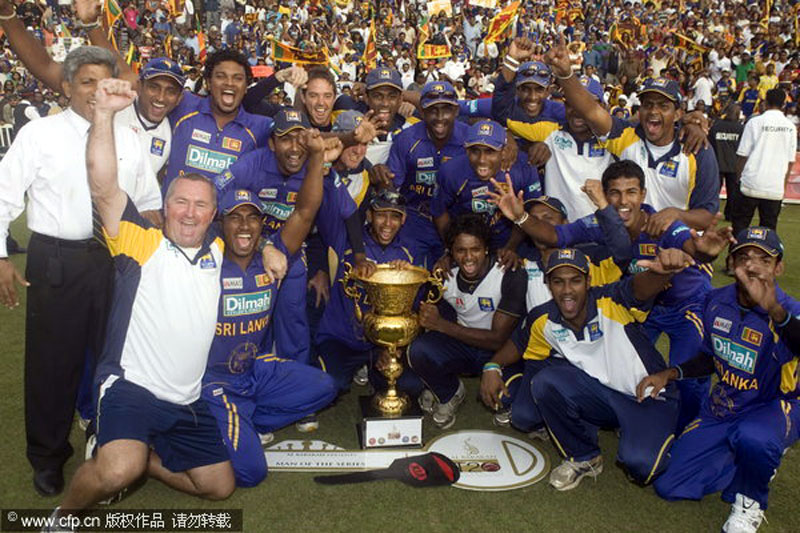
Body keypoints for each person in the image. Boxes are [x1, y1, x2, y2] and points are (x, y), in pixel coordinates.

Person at [52, 76, 261, 519]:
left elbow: (256, 234)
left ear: (213, 215)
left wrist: (275, 250)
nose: (190, 213)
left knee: (220, 487)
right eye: (181, 202)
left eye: (201, 206)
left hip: (187, 397)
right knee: (115, 472)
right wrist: (105, 115)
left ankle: (147, 459)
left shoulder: (217, 248)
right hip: (133, 388)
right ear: (165, 206)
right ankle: (63, 516)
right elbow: (104, 186)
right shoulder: (140, 242)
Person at [0, 46, 161, 498]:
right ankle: (48, 457)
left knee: (117, 362)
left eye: (104, 81)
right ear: (67, 86)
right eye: (86, 81)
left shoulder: (128, 138)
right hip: (58, 259)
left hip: (116, 260)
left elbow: (149, 201)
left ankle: (109, 449)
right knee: (53, 365)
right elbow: (3, 194)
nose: (96, 90)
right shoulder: (40, 134)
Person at [483, 246, 691, 490]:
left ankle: (642, 431)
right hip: (601, 395)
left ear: (588, 281)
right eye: (558, 282)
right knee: (545, 381)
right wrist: (492, 366)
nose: (567, 290)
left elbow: (638, 289)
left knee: (642, 468)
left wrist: (662, 273)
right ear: (548, 285)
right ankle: (583, 456)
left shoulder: (612, 298)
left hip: (647, 396)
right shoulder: (544, 318)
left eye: (575, 281)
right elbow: (518, 343)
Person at [639, 227, 800, 533]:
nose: (752, 266)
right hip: (724, 407)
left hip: (776, 406)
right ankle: (753, 463)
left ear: (778, 267)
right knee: (670, 485)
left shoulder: (788, 310)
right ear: (731, 263)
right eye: (744, 257)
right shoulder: (715, 300)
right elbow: (709, 358)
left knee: (756, 436)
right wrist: (669, 373)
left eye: (763, 260)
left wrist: (774, 310)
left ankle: (750, 500)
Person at [203, 178, 337, 486]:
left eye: (252, 217)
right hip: (214, 381)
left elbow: (305, 212)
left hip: (254, 371)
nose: (244, 225)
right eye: (235, 217)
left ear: (263, 224)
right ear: (221, 223)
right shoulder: (206, 263)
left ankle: (247, 419)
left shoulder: (273, 260)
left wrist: (266, 246)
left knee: (325, 386)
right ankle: (212, 422)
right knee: (251, 473)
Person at [545, 40, 720, 232]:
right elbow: (589, 111)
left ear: (678, 114)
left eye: (663, 106)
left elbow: (707, 216)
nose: (653, 111)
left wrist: (676, 214)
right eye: (648, 104)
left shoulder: (697, 150)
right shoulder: (625, 136)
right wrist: (565, 73)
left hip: (676, 251)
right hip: (629, 248)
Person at [407, 214, 528, 429]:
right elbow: (425, 317)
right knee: (418, 351)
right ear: (451, 252)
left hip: (499, 353)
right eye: (461, 250)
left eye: (475, 249)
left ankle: (495, 381)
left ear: (487, 249)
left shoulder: (508, 273)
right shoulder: (444, 275)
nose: (468, 257)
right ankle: (450, 391)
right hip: (463, 346)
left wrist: (441, 325)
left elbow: (498, 339)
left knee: (504, 400)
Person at [316, 190, 421, 395]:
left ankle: (372, 370)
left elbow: (412, 310)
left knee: (409, 386)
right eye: (381, 215)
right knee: (330, 386)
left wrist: (403, 281)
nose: (387, 224)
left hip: (379, 342)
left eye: (395, 217)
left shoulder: (408, 253)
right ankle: (354, 370)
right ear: (369, 215)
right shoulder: (347, 241)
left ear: (404, 220)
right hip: (339, 338)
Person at [373, 80, 469, 268]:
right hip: (415, 220)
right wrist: (380, 180)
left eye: (446, 110)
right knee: (409, 276)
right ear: (422, 112)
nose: (440, 117)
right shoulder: (407, 140)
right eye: (433, 110)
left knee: (450, 284)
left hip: (457, 222)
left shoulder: (470, 139)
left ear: (456, 111)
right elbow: (393, 186)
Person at [431, 119, 541, 255]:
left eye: (490, 151)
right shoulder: (450, 171)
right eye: (475, 151)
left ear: (504, 152)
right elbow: (439, 211)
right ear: (466, 150)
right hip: (469, 245)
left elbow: (531, 214)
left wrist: (511, 248)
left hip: (512, 240)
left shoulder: (524, 168)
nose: (482, 159)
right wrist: (452, 249)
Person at [732, 88, 797, 236]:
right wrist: (783, 187)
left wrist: (738, 179)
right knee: (769, 232)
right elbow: (790, 162)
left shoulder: (754, 122)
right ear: (783, 104)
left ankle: (735, 257)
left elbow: (742, 155)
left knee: (740, 229)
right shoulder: (791, 127)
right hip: (774, 187)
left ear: (766, 102)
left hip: (750, 183)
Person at [709, 103, 744, 222]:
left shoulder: (716, 126)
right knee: (733, 193)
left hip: (717, 164)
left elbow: (710, 145)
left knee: (714, 192)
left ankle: (711, 213)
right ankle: (730, 215)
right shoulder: (741, 129)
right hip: (734, 166)